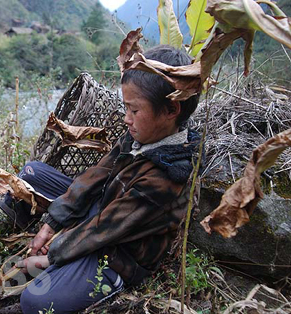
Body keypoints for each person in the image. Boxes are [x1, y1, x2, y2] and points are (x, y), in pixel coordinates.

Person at [15, 45, 201, 314]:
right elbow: (96, 176)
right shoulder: (140, 135)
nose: (126, 119)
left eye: (134, 111)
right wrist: (53, 222)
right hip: (102, 211)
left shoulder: (169, 176)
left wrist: (53, 253)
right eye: (126, 108)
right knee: (32, 172)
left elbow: (106, 228)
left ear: (171, 109)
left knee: (35, 302)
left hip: (117, 252)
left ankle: (107, 280)